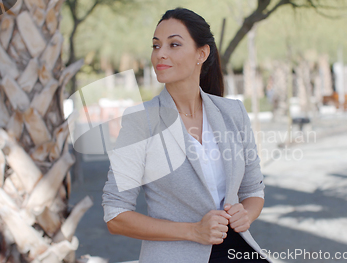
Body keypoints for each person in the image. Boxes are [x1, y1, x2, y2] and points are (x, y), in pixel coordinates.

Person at [102, 7, 272, 263]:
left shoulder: (232, 112)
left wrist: (246, 214)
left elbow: (253, 189)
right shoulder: (141, 121)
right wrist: (193, 231)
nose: (161, 54)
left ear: (201, 54)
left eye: (174, 45)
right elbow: (116, 215)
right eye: (156, 45)